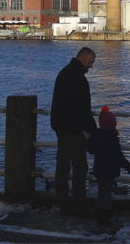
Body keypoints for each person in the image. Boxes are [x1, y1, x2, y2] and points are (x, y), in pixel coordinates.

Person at [50, 47, 97, 216]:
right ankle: (80, 206)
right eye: (90, 62)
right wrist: (92, 128)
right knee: (80, 167)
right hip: (73, 129)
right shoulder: (77, 78)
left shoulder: (65, 73)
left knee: (62, 166)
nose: (91, 66)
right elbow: (80, 108)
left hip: (61, 126)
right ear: (83, 58)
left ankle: (63, 204)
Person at [86, 106, 130, 227]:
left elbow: (90, 148)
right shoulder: (112, 139)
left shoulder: (96, 136)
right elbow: (118, 156)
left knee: (101, 191)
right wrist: (128, 167)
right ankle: (106, 215)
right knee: (107, 193)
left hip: (99, 170)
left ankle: (99, 211)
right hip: (110, 171)